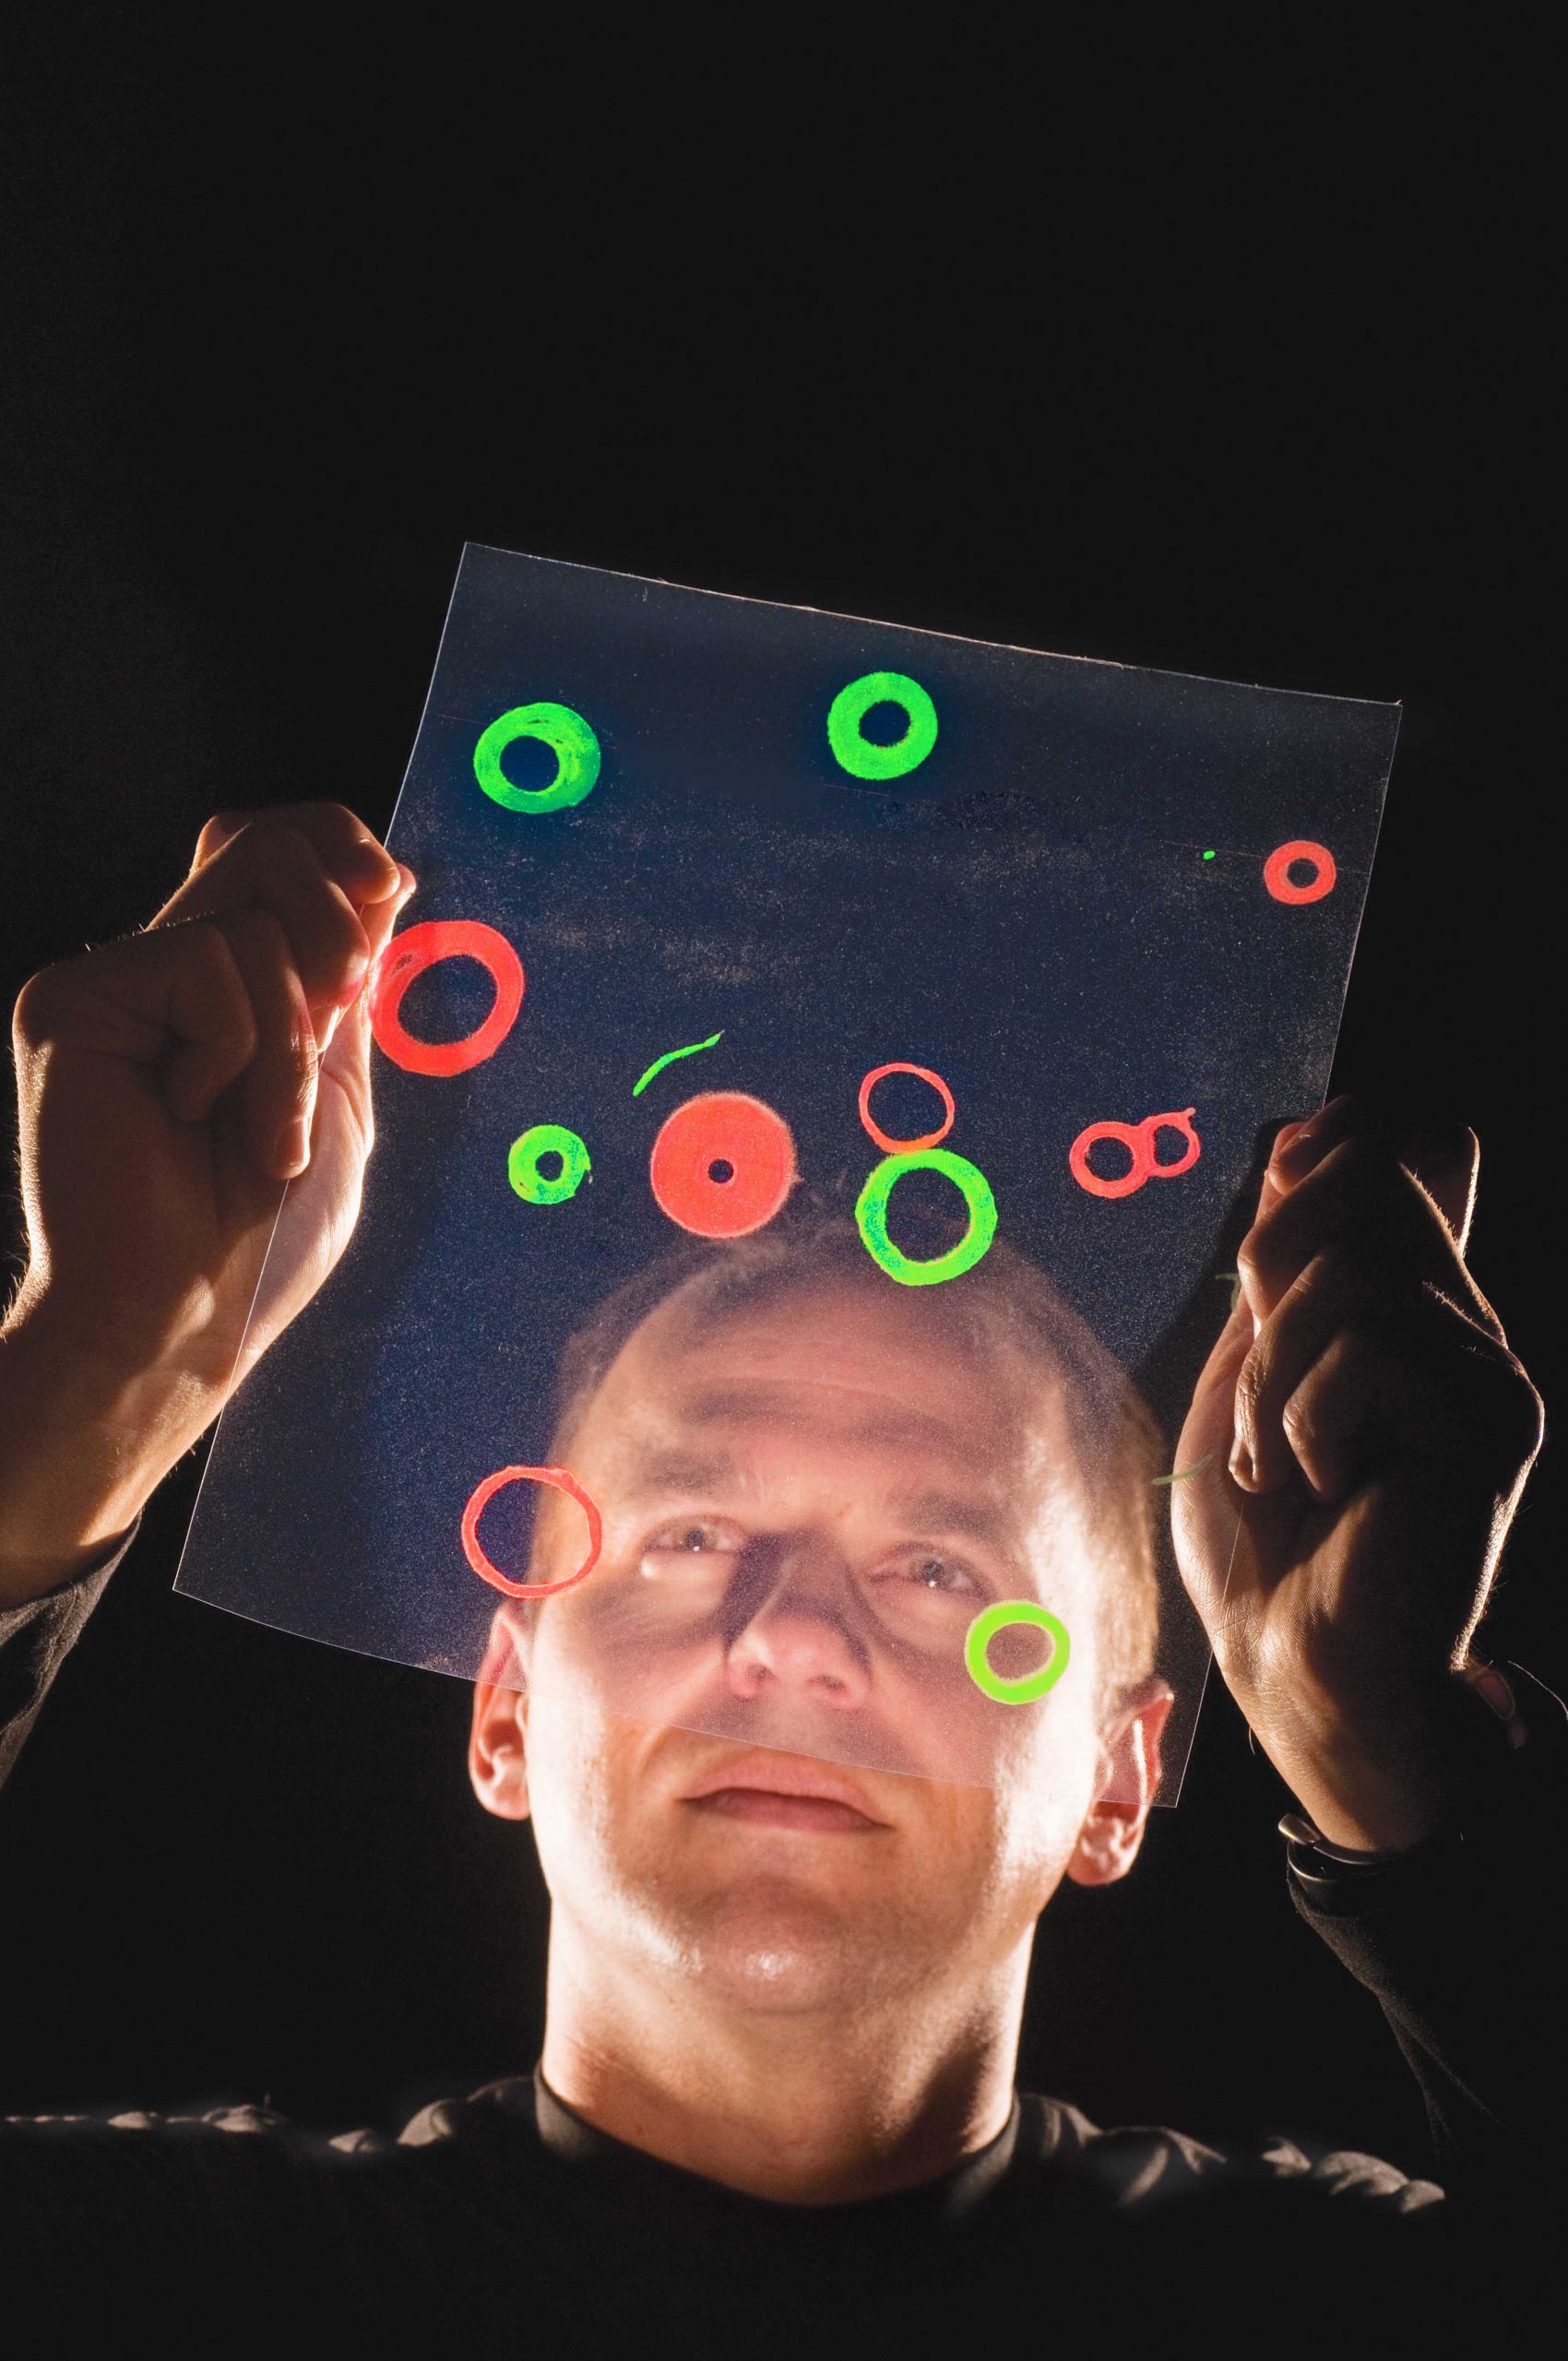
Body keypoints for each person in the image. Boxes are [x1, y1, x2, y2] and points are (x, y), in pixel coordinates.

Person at [0, 806, 1558, 2346]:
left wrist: (1402, 1778)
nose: (794, 1637)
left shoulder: (1335, 2312)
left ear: (1118, 1778)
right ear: (504, 1713)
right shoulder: (150, 2290)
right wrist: (84, 1385)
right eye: (689, 1537)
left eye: (940, 1567)